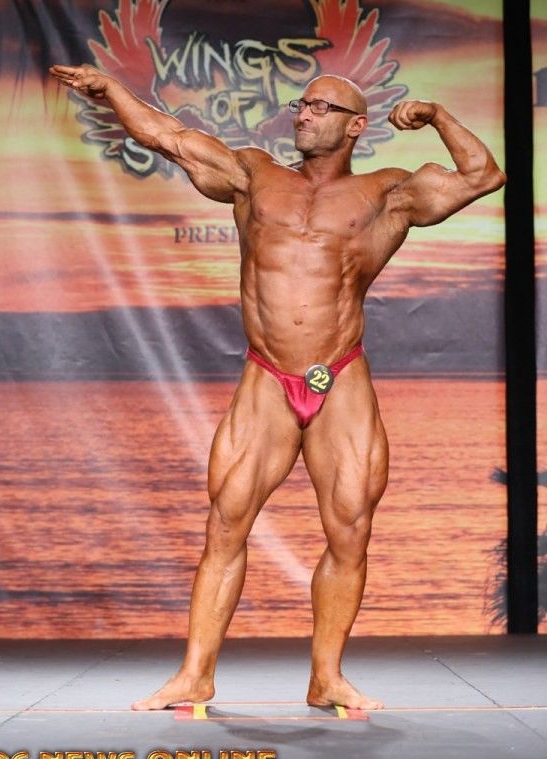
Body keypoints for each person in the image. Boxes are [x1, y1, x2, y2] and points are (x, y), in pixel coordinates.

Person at [50, 63, 506, 711]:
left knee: (350, 528)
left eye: (321, 107)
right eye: (302, 104)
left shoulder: (387, 193)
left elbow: (482, 175)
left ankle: (327, 677)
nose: (304, 114)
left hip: (339, 374)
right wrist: (112, 91)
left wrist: (434, 115)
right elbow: (167, 136)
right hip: (266, 376)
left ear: (356, 125)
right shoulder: (254, 175)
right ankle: (195, 674)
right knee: (226, 523)